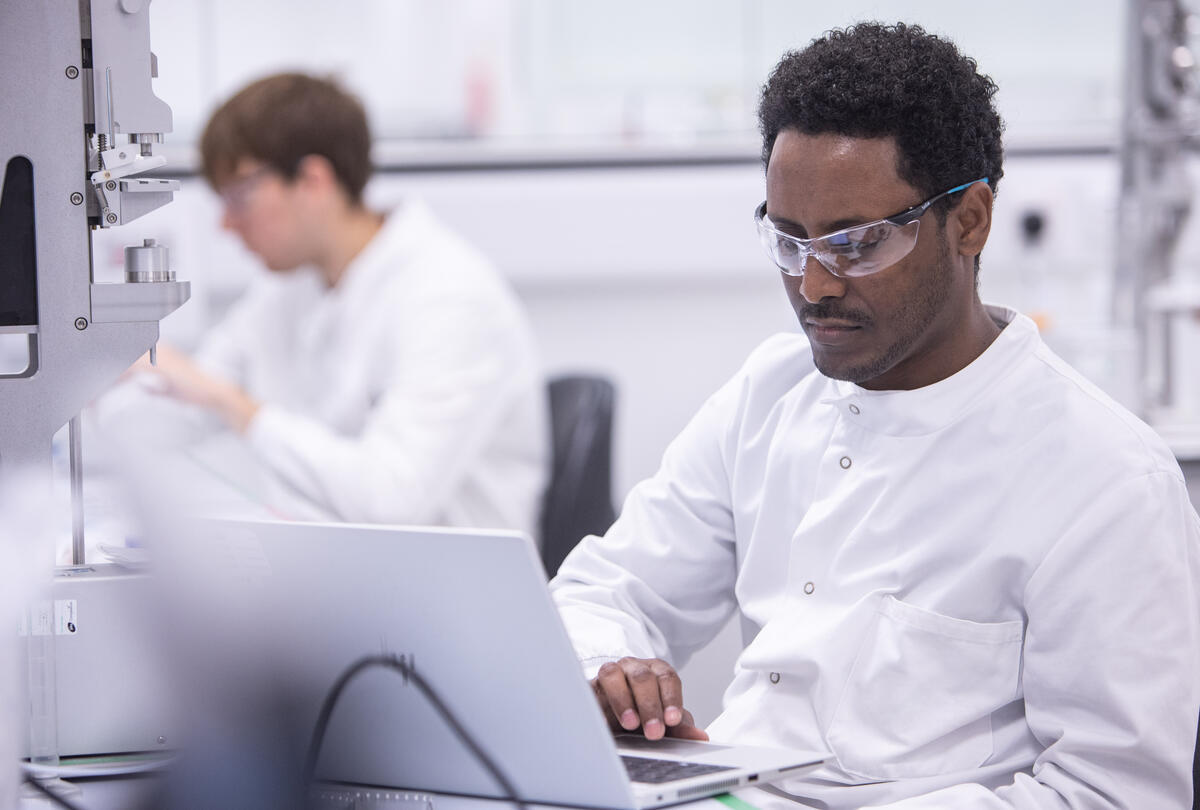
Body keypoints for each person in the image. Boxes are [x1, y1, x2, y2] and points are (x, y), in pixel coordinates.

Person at [550, 22, 1200, 809]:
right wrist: (610, 668)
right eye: (789, 242)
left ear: (970, 221)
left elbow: (1112, 793)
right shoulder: (771, 392)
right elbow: (603, 592)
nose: (815, 286)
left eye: (857, 245)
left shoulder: (1103, 478)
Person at [109, 73, 548, 534]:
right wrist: (102, 387)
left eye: (240, 196)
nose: (226, 225)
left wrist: (234, 405)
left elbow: (391, 501)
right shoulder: (287, 288)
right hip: (344, 565)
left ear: (313, 181)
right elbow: (182, 405)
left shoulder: (449, 295)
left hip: (453, 585)